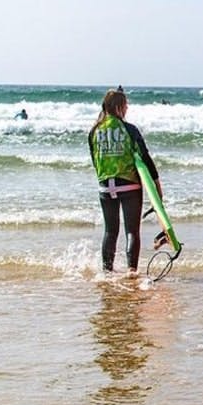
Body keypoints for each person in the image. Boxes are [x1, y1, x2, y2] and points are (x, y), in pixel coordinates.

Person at [88, 88, 160, 274]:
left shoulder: (94, 131)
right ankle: (131, 272)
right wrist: (157, 187)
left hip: (105, 187)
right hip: (130, 186)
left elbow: (95, 161)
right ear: (119, 107)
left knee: (110, 232)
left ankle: (106, 273)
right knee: (132, 231)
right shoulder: (129, 129)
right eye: (126, 105)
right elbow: (145, 158)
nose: (127, 108)